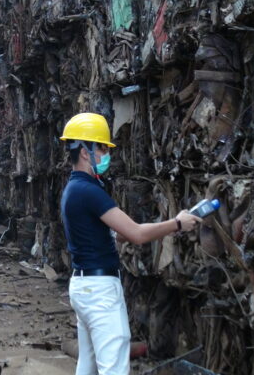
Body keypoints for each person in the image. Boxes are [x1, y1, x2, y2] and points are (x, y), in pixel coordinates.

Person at [60, 113, 202, 375]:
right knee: (114, 367)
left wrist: (120, 232)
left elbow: (112, 233)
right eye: (102, 148)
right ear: (83, 151)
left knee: (88, 366)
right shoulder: (90, 191)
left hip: (82, 287)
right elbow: (136, 234)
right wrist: (178, 223)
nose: (106, 154)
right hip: (100, 291)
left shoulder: (73, 189)